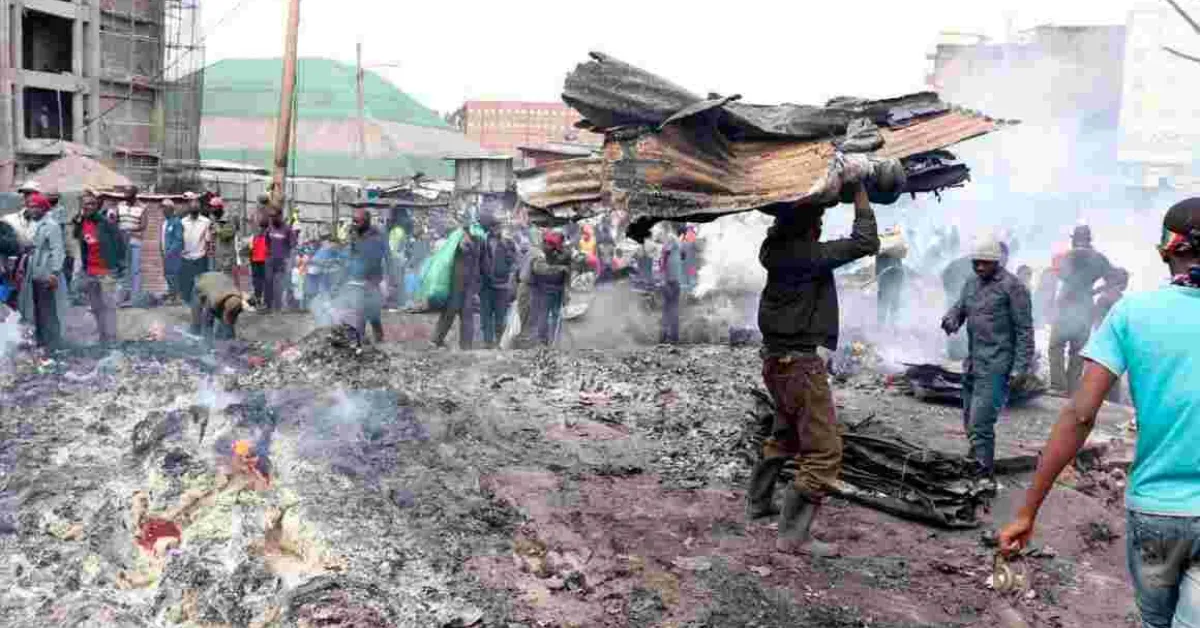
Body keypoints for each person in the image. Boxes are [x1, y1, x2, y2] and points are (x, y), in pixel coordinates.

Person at [999, 199, 1200, 628]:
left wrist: (1027, 511)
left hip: (1155, 513)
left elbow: (1079, 415)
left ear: (1166, 249)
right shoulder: (1113, 289)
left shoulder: (1132, 314)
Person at [747, 183, 878, 558]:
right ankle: (793, 536)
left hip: (776, 363)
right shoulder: (806, 256)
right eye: (817, 219)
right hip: (800, 366)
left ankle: (758, 502)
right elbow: (865, 241)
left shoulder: (774, 251)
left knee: (784, 435)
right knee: (824, 452)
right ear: (806, 227)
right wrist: (860, 192)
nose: (820, 226)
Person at [940, 238, 1035, 492]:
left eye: (985, 263)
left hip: (996, 366)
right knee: (970, 421)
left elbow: (1025, 331)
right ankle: (975, 466)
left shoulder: (1013, 288)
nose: (979, 267)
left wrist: (1020, 368)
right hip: (973, 363)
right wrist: (951, 318)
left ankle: (984, 477)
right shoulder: (971, 284)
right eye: (976, 262)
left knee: (981, 424)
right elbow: (959, 309)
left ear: (997, 262)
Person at [1049, 224, 1113, 394]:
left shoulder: (1068, 256)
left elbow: (1058, 273)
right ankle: (1072, 388)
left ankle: (1058, 386)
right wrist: (1093, 291)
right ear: (1089, 239)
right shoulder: (1099, 258)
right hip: (1085, 305)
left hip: (1067, 303)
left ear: (1075, 239)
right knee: (1077, 350)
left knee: (1056, 346)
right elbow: (1114, 279)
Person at [75, 190, 125, 342]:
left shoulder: (106, 223)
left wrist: (119, 267)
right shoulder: (81, 223)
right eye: (86, 204)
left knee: (109, 306)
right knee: (96, 307)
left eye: (92, 204)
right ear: (81, 206)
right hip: (90, 270)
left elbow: (120, 245)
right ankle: (102, 336)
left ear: (97, 206)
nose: (89, 207)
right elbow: (81, 243)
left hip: (106, 271)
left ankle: (111, 338)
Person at [18, 193, 65, 349]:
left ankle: (53, 343)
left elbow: (57, 250)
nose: (31, 210)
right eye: (30, 207)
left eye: (35, 207)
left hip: (46, 271)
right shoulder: (33, 223)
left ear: (43, 208)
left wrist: (55, 273)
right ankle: (41, 341)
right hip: (34, 270)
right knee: (37, 308)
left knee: (47, 310)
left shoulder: (51, 225)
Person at [431, 223, 482, 349]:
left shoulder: (476, 242)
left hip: (468, 284)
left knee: (466, 314)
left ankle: (466, 346)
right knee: (450, 312)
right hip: (455, 284)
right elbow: (446, 261)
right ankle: (436, 340)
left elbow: (476, 260)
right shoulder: (455, 243)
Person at [345, 208, 388, 343]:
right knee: (360, 308)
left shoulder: (377, 236)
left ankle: (376, 336)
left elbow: (382, 257)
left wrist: (385, 279)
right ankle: (361, 336)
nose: (354, 224)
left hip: (372, 278)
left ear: (366, 221)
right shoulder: (354, 234)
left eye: (357, 221)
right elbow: (352, 255)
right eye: (353, 221)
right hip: (357, 278)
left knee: (372, 309)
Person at [478, 213, 516, 348]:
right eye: (494, 227)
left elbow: (513, 262)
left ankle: (500, 342)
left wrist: (511, 281)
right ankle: (488, 343)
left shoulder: (508, 243)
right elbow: (478, 262)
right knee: (486, 315)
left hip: (502, 285)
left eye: (499, 226)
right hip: (486, 285)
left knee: (500, 316)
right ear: (490, 228)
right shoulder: (483, 242)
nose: (497, 229)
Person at [529, 230, 571, 346]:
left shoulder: (561, 253)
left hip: (554, 288)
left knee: (552, 315)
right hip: (546, 289)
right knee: (546, 315)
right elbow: (540, 271)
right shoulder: (541, 254)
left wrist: (566, 289)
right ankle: (546, 341)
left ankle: (552, 341)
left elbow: (567, 273)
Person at [178, 192, 212, 305]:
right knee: (186, 284)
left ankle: (199, 306)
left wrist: (205, 253)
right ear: (188, 209)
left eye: (196, 208)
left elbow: (208, 241)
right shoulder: (182, 222)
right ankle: (188, 305)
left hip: (200, 257)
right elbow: (179, 239)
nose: (194, 210)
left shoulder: (206, 222)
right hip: (186, 257)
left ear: (199, 209)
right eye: (192, 207)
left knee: (200, 285)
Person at [190, 271, 244, 341]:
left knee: (227, 325)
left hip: (220, 282)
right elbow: (207, 320)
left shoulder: (238, 301)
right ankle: (195, 333)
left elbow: (231, 319)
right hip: (203, 282)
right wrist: (207, 337)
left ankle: (224, 338)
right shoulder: (214, 300)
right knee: (197, 315)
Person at [116, 186, 146, 300]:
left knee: (135, 269)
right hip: (122, 241)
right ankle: (123, 295)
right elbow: (116, 221)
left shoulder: (142, 207)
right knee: (124, 268)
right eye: (125, 195)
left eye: (129, 196)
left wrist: (130, 230)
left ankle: (135, 296)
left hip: (135, 241)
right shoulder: (120, 206)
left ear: (134, 195)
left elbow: (143, 225)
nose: (126, 198)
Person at [263, 206, 295, 311]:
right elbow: (267, 241)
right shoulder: (270, 228)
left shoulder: (288, 229)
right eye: (271, 217)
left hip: (281, 263)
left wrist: (289, 261)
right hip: (270, 261)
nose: (272, 219)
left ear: (280, 216)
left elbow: (292, 247)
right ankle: (267, 307)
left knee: (278, 286)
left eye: (274, 216)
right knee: (268, 282)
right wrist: (268, 255)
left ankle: (277, 309)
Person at [208, 196, 241, 292]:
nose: (212, 209)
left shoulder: (229, 219)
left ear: (220, 207)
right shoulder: (214, 220)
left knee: (229, 282)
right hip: (217, 257)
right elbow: (212, 237)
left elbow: (226, 235)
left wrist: (217, 227)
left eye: (214, 207)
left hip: (228, 258)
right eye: (211, 207)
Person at [660, 223, 685, 344]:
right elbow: (668, 255)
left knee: (668, 308)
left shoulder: (673, 239)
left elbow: (666, 255)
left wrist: (662, 275)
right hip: (674, 279)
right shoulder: (676, 240)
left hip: (671, 279)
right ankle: (672, 336)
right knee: (672, 308)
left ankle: (666, 336)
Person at [159, 199, 184, 303]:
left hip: (173, 254)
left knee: (173, 275)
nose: (163, 211)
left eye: (164, 208)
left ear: (170, 209)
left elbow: (178, 240)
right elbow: (162, 238)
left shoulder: (176, 222)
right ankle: (172, 295)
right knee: (167, 274)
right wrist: (161, 250)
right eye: (162, 208)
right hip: (165, 253)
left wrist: (170, 252)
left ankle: (175, 297)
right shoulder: (165, 222)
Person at [249, 209, 269, 307]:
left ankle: (257, 299)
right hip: (262, 261)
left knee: (257, 280)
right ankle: (259, 299)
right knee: (261, 281)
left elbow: (250, 248)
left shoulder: (255, 236)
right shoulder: (267, 236)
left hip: (256, 261)